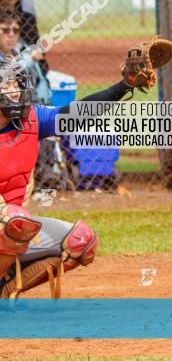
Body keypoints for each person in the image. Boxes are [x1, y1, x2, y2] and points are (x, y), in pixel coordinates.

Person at [0, 48, 157, 298]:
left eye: (17, 83)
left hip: (10, 227)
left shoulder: (31, 120)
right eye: (7, 84)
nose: (16, 90)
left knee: (80, 241)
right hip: (8, 224)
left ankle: (4, 289)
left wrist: (124, 86)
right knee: (12, 220)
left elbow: (74, 115)